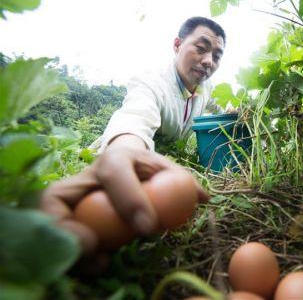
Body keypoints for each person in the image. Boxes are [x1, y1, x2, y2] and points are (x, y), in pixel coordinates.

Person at [40, 17, 226, 256]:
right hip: (144, 166)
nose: (209, 61)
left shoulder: (204, 86)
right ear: (177, 45)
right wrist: (124, 149)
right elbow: (135, 117)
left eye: (217, 56)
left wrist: (230, 112)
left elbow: (213, 103)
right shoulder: (151, 83)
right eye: (200, 49)